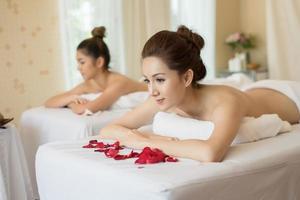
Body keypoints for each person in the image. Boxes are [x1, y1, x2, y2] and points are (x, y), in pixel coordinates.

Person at [99, 25, 300, 162]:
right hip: (257, 91)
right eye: (147, 80)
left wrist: (146, 141)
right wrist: (133, 137)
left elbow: (211, 152)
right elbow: (109, 129)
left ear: (186, 78)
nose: (151, 90)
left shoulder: (226, 102)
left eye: (159, 80)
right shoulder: (161, 99)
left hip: (291, 96)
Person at [45, 26, 147, 115]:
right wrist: (70, 99)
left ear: (99, 62)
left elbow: (86, 109)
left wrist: (70, 103)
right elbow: (49, 102)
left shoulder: (118, 83)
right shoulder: (89, 84)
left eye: (82, 62)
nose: (78, 67)